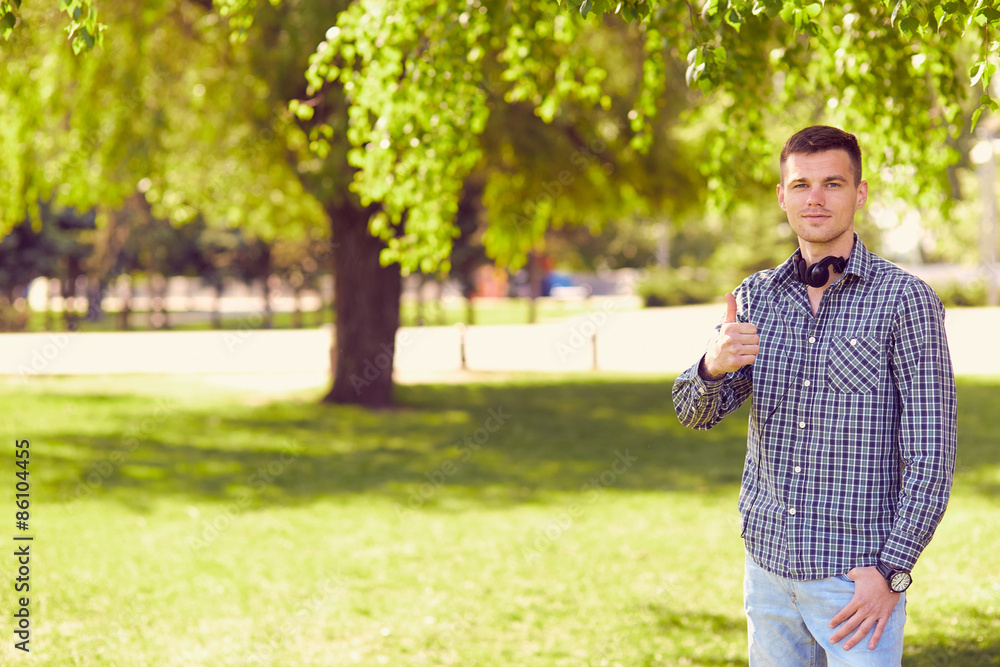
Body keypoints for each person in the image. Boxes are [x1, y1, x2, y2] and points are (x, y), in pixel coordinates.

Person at [671, 125, 957, 666]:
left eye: (833, 183)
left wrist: (892, 572)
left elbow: (932, 455)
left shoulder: (906, 301)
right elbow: (694, 413)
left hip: (856, 580)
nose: (816, 198)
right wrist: (712, 365)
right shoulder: (755, 297)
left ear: (860, 193)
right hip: (768, 571)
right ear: (783, 196)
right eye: (801, 185)